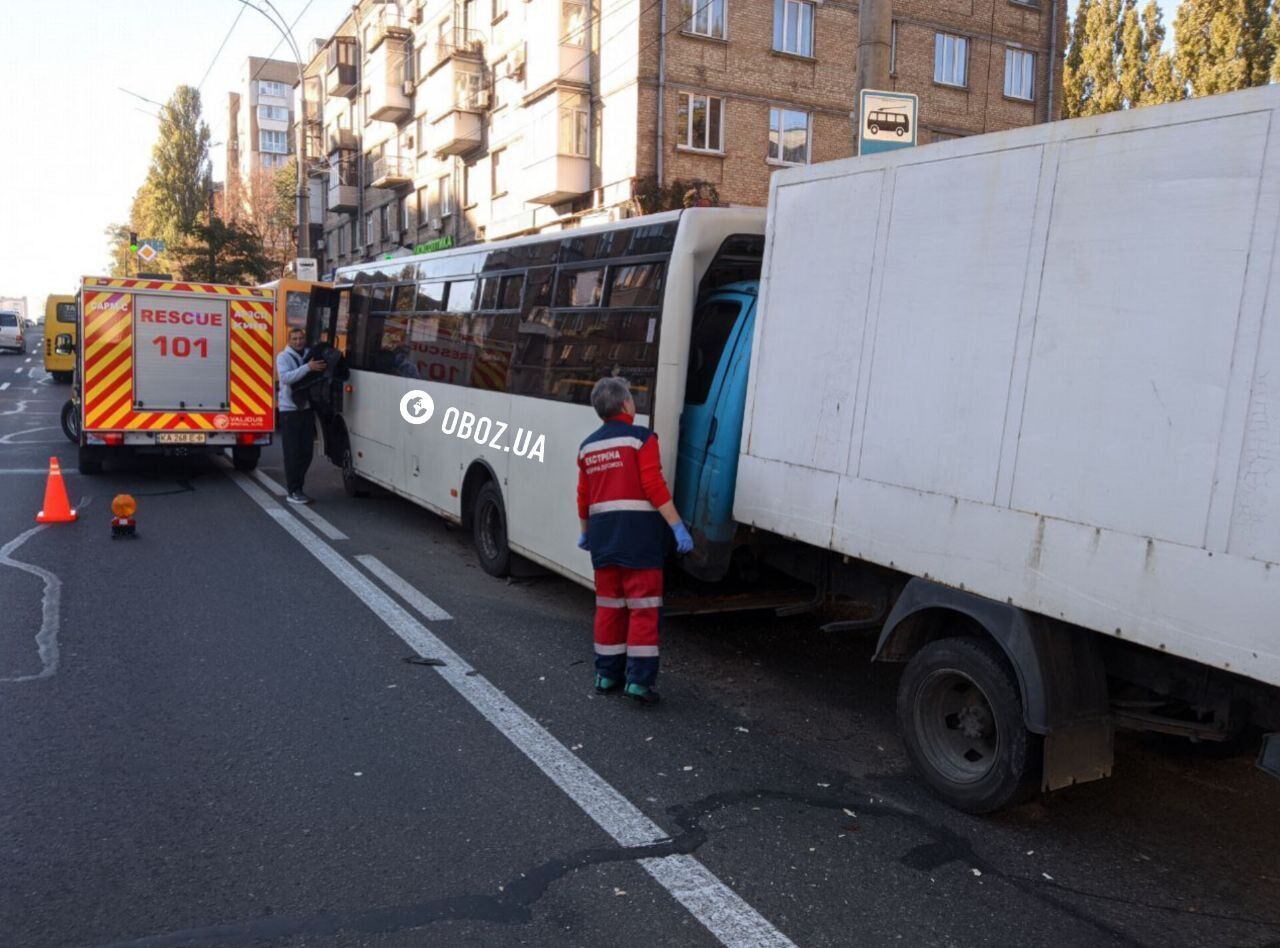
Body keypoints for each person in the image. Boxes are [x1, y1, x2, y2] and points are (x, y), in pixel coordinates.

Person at [576, 376, 694, 705]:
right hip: (639, 538)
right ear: (626, 404)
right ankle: (639, 682)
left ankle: (606, 674)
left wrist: (585, 532)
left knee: (609, 608)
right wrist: (677, 526)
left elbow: (583, 496)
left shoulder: (587, 447)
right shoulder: (641, 439)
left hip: (603, 539)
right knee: (643, 609)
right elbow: (653, 485)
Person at [276, 327, 326, 505]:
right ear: (289, 340)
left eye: (300, 338)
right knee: (292, 453)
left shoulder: (308, 355)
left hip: (306, 409)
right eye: (294, 339)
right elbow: (286, 378)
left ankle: (299, 488)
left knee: (306, 453)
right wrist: (307, 367)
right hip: (289, 411)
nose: (298, 342)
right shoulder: (283, 357)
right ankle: (293, 490)